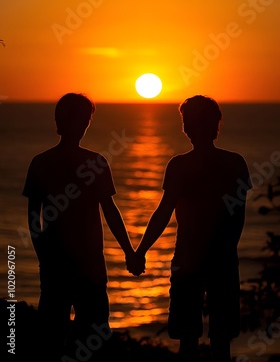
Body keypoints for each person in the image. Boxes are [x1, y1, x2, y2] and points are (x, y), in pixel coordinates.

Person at [128, 95, 252, 362]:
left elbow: (163, 212)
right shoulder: (235, 163)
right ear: (216, 125)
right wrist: (226, 252)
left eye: (187, 121)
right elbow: (237, 218)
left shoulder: (180, 165)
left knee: (189, 340)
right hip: (221, 260)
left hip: (189, 260)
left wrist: (140, 251)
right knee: (221, 341)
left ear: (188, 127)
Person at [22, 92, 141, 361]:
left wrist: (129, 251)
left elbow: (33, 218)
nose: (84, 124)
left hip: (77, 263)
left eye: (87, 119)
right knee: (83, 333)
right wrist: (129, 252)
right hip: (79, 263)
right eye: (82, 118)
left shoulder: (46, 162)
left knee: (61, 332)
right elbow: (109, 211)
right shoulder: (90, 162)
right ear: (63, 120)